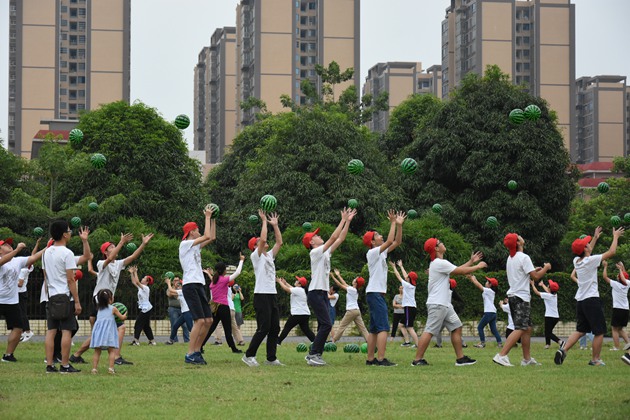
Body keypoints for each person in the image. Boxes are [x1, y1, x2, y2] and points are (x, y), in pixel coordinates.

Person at [71, 231, 153, 366]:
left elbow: (133, 256)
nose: (115, 248)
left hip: (105, 300)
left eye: (115, 246)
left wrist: (143, 244)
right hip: (100, 300)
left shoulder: (119, 264)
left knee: (100, 332)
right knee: (120, 328)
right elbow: (110, 259)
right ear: (105, 252)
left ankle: (76, 355)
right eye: (111, 247)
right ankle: (116, 357)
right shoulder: (101, 263)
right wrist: (121, 242)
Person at [555, 226, 624, 367]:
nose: (588, 244)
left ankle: (563, 350)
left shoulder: (577, 261)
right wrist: (615, 236)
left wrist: (595, 238)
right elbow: (612, 252)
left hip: (581, 301)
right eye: (586, 244)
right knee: (599, 331)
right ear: (585, 249)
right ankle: (595, 359)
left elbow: (587, 251)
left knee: (580, 330)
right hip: (591, 300)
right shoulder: (590, 261)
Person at [412, 238, 485, 367]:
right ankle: (417, 360)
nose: (442, 243)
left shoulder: (439, 263)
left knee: (456, 327)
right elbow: (460, 271)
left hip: (445, 304)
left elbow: (457, 269)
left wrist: (471, 262)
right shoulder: (439, 263)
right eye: (439, 242)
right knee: (429, 331)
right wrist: (478, 266)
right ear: (436, 248)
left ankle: (460, 359)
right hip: (438, 304)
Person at [303, 208, 356, 367]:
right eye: (316, 236)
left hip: (322, 293)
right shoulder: (315, 252)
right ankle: (313, 354)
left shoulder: (324, 253)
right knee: (326, 324)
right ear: (312, 242)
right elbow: (333, 237)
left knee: (324, 325)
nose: (319, 236)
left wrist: (348, 222)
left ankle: (315, 354)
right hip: (315, 293)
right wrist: (342, 219)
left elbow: (340, 238)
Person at [492, 233, 551, 367]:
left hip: (514, 296)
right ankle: (501, 355)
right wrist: (546, 268)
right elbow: (536, 277)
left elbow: (523, 273)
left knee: (527, 328)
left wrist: (532, 270)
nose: (520, 237)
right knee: (521, 327)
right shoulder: (524, 257)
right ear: (518, 243)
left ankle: (526, 359)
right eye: (518, 237)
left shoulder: (510, 258)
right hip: (521, 297)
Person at [42, 221, 91, 373]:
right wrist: (77, 301)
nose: (70, 233)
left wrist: (85, 241)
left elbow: (46, 276)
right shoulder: (67, 253)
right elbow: (71, 279)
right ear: (64, 234)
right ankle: (65, 365)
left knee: (51, 331)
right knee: (66, 331)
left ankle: (50, 365)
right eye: (69, 231)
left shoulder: (46, 253)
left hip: (51, 297)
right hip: (65, 297)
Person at [242, 210, 284, 367]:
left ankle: (271, 358)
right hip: (261, 295)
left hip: (271, 294)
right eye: (259, 241)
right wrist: (264, 221)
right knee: (263, 327)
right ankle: (249, 355)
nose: (264, 241)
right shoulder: (256, 256)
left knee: (275, 328)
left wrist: (275, 225)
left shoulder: (269, 255)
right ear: (255, 246)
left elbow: (279, 243)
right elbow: (264, 238)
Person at [364, 210, 405, 367]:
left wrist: (399, 225)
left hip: (374, 293)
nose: (380, 236)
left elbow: (397, 242)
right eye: (377, 235)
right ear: (372, 242)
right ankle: (381, 359)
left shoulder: (380, 253)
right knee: (383, 328)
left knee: (374, 329)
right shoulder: (372, 252)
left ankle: (370, 359)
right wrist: (393, 222)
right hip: (375, 293)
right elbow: (389, 241)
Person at [179, 205, 216, 365]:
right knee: (199, 321)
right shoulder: (185, 244)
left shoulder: (194, 246)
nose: (199, 231)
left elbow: (211, 237)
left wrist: (213, 219)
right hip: (190, 285)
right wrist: (207, 216)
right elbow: (206, 235)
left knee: (208, 320)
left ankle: (197, 351)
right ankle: (190, 354)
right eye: (197, 229)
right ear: (192, 232)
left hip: (199, 284)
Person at [0, 237, 44, 362]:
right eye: (5, 244)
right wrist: (17, 250)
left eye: (9, 244)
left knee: (18, 328)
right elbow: (2, 261)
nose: (9, 245)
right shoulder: (3, 259)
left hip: (12, 301)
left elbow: (33, 258)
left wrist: (49, 246)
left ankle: (8, 355)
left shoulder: (17, 261)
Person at [201, 255, 245, 354]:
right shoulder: (224, 280)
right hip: (224, 307)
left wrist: (209, 274)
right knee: (227, 329)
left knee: (211, 328)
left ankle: (201, 345)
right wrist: (241, 261)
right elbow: (237, 272)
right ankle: (234, 349)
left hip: (215, 308)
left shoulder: (213, 281)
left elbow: (213, 280)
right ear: (223, 270)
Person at [90, 289, 127, 374]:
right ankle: (111, 368)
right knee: (111, 351)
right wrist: (125, 314)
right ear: (110, 299)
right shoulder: (113, 309)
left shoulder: (98, 309)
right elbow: (122, 318)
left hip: (99, 333)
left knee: (97, 351)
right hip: (109, 333)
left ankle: (94, 369)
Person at [330, 269, 369, 343]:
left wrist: (333, 276)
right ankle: (369, 341)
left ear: (355, 283)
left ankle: (333, 341)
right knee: (362, 328)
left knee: (342, 326)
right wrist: (338, 275)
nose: (353, 279)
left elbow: (340, 285)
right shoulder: (353, 289)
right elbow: (344, 283)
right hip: (357, 311)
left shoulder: (352, 289)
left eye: (355, 279)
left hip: (351, 311)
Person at [276, 276, 315, 345]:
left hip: (297, 313)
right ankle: (316, 341)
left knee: (287, 327)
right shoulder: (301, 290)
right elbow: (291, 288)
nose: (296, 281)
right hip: (305, 314)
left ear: (300, 284)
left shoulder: (298, 290)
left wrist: (279, 282)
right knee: (306, 330)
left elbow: (287, 289)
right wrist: (285, 283)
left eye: (297, 281)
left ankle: (278, 342)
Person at [466, 274, 502, 349]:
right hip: (493, 312)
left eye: (487, 281)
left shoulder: (489, 291)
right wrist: (472, 279)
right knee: (493, 330)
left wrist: (473, 278)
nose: (486, 282)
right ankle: (499, 344)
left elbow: (479, 285)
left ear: (490, 285)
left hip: (489, 312)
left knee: (480, 327)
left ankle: (482, 344)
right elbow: (477, 284)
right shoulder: (490, 291)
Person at [389, 260, 419, 347]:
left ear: (409, 279)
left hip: (409, 308)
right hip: (410, 308)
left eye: (408, 276)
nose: (406, 276)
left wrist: (394, 267)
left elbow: (398, 276)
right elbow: (406, 276)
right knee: (401, 325)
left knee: (409, 327)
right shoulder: (411, 284)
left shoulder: (407, 285)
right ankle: (407, 342)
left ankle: (418, 344)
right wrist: (401, 266)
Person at [17, 237, 42, 342]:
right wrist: (37, 243)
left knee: (22, 313)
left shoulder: (23, 270)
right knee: (19, 313)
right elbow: (33, 255)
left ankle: (27, 332)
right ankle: (22, 332)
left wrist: (10, 282)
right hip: (21, 293)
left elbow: (20, 284)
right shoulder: (27, 267)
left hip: (20, 293)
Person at [602, 261, 630, 351]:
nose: (617, 276)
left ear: (620, 278)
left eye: (618, 275)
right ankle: (628, 343)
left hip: (618, 309)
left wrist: (605, 266)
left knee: (614, 328)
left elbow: (605, 277)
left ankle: (616, 347)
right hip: (626, 309)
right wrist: (622, 268)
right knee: (620, 329)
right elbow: (624, 277)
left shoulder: (616, 284)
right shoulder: (628, 283)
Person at [530, 279, 564, 349]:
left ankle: (560, 342)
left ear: (550, 289)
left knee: (548, 332)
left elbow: (537, 292)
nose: (548, 285)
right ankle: (547, 344)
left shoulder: (547, 295)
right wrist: (542, 285)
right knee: (548, 331)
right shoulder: (555, 295)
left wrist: (533, 285)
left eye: (549, 285)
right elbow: (548, 290)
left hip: (549, 317)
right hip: (556, 317)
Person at [434, 279, 467, 348]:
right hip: (449, 311)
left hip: (444, 312)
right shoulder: (451, 292)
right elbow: (460, 300)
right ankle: (463, 343)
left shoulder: (445, 291)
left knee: (439, 330)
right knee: (455, 328)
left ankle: (439, 344)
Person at [129, 266, 156, 346]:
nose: (142, 278)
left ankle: (136, 340)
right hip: (145, 309)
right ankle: (152, 341)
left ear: (147, 281)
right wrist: (132, 273)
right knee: (146, 326)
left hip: (146, 309)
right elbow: (134, 282)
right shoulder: (141, 288)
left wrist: (135, 272)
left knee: (138, 324)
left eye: (144, 278)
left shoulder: (146, 288)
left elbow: (137, 282)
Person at [166, 276, 193, 345]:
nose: (179, 286)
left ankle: (198, 341)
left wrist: (168, 283)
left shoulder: (182, 291)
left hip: (187, 312)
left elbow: (171, 291)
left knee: (191, 328)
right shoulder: (182, 292)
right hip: (184, 313)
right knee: (175, 326)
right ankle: (171, 340)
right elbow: (171, 293)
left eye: (180, 285)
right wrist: (174, 286)